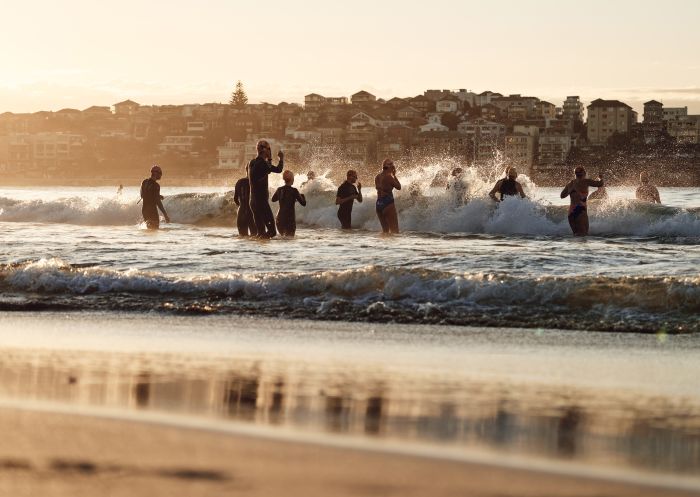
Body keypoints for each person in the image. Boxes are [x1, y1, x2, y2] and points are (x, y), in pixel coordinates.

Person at [248, 140, 284, 238]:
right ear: (264, 150)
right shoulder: (262, 164)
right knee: (272, 232)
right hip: (261, 203)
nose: (270, 151)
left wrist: (268, 159)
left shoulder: (251, 163)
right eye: (269, 149)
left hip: (253, 202)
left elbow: (266, 170)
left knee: (260, 233)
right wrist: (281, 158)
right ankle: (264, 253)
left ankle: (258, 252)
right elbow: (278, 169)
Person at [560, 166, 604, 236]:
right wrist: (601, 177)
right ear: (584, 173)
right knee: (584, 235)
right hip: (580, 211)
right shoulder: (586, 181)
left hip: (571, 213)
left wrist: (570, 191)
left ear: (575, 174)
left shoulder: (570, 184)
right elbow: (600, 184)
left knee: (576, 235)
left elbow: (562, 196)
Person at [271, 170, 306, 236]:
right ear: (292, 179)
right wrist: (303, 196)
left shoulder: (279, 189)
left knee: (283, 239)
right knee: (290, 240)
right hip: (289, 220)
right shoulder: (294, 190)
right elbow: (303, 203)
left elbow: (273, 199)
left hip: (279, 219)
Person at [375, 158, 401, 234]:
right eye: (392, 166)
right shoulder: (389, 177)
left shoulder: (377, 177)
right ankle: (392, 246)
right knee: (395, 231)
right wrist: (394, 175)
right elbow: (399, 187)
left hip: (379, 204)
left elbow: (379, 188)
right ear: (391, 167)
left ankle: (384, 245)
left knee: (385, 231)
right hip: (387, 202)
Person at [140, 165, 170, 229]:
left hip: (144, 210)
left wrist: (157, 195)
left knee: (149, 230)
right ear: (156, 173)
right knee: (155, 230)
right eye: (160, 173)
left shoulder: (144, 182)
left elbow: (142, 195)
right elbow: (158, 202)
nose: (161, 175)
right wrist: (165, 214)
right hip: (152, 211)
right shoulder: (156, 186)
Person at [233, 166, 256, 237]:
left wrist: (242, 206)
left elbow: (235, 199)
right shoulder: (256, 182)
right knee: (255, 237)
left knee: (242, 237)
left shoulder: (239, 182)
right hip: (252, 212)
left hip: (241, 211)